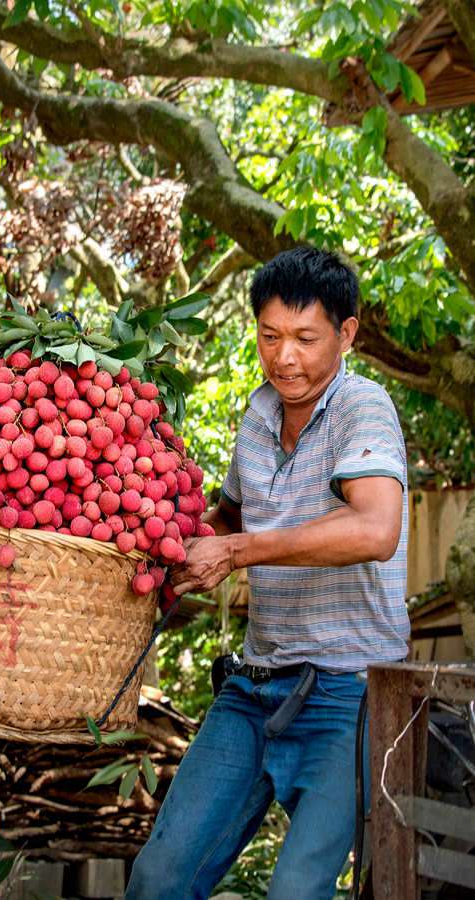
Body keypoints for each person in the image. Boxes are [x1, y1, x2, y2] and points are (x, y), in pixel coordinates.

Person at [126, 247, 409, 900]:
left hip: (346, 695)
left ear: (346, 335)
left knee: (297, 892)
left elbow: (374, 529)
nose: (285, 358)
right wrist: (163, 540)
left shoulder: (363, 410)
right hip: (253, 690)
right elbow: (227, 521)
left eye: (306, 339)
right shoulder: (258, 414)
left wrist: (237, 553)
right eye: (270, 336)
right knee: (157, 880)